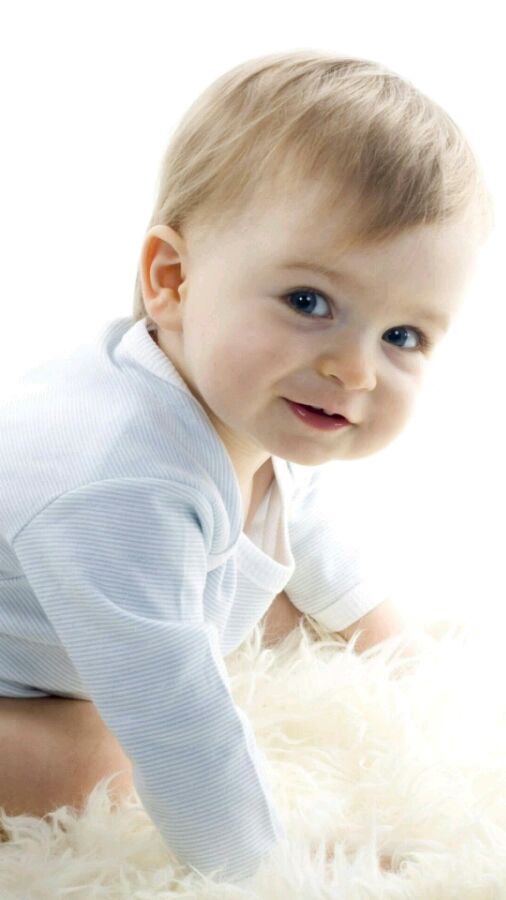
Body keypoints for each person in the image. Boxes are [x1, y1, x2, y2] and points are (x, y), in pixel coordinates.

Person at [0, 49, 494, 884]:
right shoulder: (123, 483)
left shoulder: (243, 405)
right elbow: (176, 718)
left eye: (402, 336)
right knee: (94, 765)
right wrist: (274, 865)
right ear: (173, 280)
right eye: (309, 302)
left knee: (272, 595)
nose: (356, 370)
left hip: (64, 620)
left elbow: (311, 522)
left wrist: (396, 646)